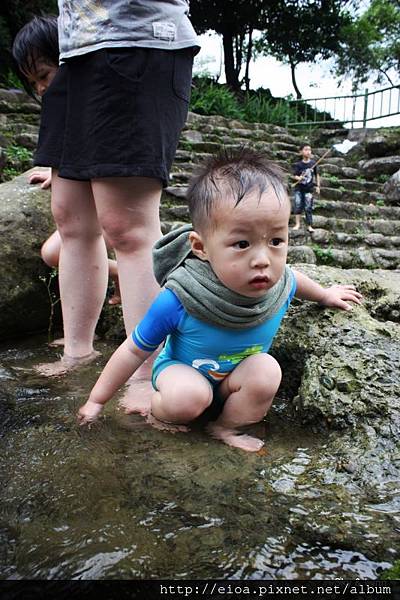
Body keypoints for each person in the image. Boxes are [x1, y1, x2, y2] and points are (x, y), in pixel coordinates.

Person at [77, 149, 362, 452]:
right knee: (188, 397)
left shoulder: (279, 284)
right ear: (201, 247)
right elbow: (133, 351)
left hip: (233, 382)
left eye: (276, 241)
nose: (263, 260)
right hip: (182, 375)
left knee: (266, 370)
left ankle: (226, 427)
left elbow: (295, 279)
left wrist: (325, 294)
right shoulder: (181, 297)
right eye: (242, 244)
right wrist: (96, 401)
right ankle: (159, 413)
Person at [14, 4, 199, 402]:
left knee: (126, 227)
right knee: (71, 221)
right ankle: (76, 354)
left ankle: (146, 374)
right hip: (75, 50)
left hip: (135, 40)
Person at [29, 169, 121, 306]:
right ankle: (118, 271)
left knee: (56, 252)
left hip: (118, 194)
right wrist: (60, 169)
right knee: (52, 253)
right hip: (87, 183)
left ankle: (127, 274)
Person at [292, 143, 320, 233]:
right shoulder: (298, 164)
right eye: (306, 149)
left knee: (308, 207)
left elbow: (317, 175)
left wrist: (318, 186)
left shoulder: (313, 163)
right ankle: (297, 224)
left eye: (309, 150)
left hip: (309, 189)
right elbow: (294, 175)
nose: (308, 152)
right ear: (301, 152)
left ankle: (309, 225)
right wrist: (298, 178)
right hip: (299, 189)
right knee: (298, 204)